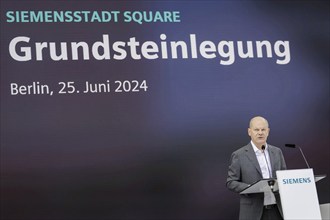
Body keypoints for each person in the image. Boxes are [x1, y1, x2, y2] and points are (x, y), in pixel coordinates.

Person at [226, 116, 287, 220]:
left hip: (278, 210)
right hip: (253, 212)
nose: (260, 133)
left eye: (263, 129)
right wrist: (251, 187)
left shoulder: (277, 152)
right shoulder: (239, 155)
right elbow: (231, 182)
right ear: (249, 132)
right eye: (256, 130)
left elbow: (284, 177)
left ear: (268, 131)